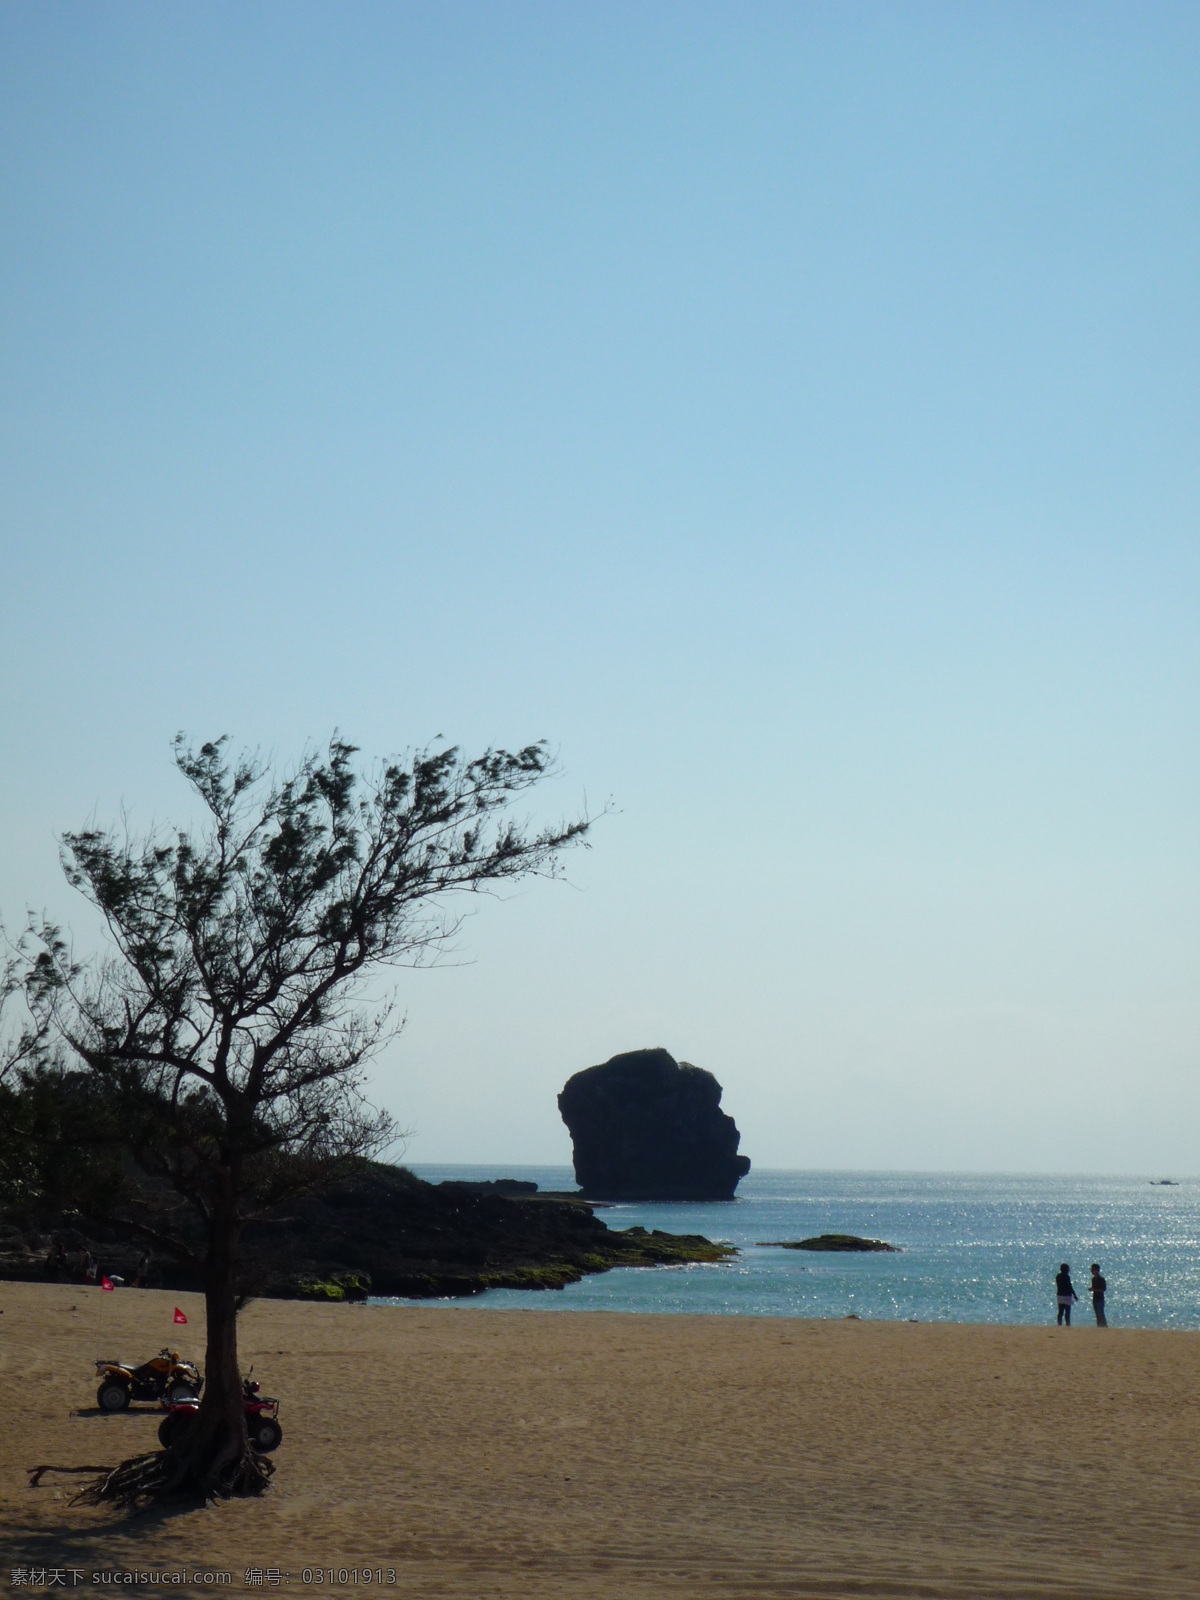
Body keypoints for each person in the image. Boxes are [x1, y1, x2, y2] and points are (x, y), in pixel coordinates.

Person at [1090, 1263, 1107, 1327]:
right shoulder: (1093, 1279)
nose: (1091, 1271)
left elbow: (1103, 1289)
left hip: (1100, 1299)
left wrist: (1094, 1289)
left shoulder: (1101, 1279)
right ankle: (1099, 1326)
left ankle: (1105, 1326)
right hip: (1095, 1298)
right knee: (1097, 1314)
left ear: (1097, 1270)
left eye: (1093, 1269)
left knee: (1101, 1314)